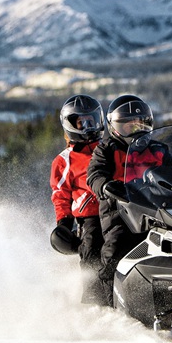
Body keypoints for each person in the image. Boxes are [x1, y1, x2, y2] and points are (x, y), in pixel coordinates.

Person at [86, 94, 156, 307]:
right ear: (115, 127)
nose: (136, 129)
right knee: (115, 250)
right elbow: (94, 174)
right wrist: (105, 185)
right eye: (129, 125)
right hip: (119, 211)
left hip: (154, 210)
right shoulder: (106, 149)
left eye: (140, 124)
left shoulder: (155, 149)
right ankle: (108, 305)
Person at [49, 94, 106, 305]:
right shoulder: (64, 160)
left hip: (122, 209)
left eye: (92, 120)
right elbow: (60, 194)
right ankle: (94, 301)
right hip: (91, 217)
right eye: (82, 122)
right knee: (92, 252)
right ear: (70, 125)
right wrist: (64, 223)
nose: (89, 127)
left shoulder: (109, 150)